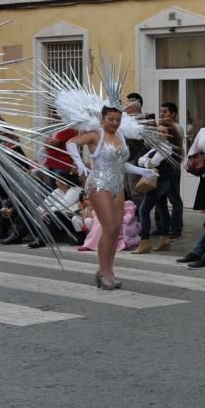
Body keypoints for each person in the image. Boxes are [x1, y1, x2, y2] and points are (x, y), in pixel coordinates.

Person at [67, 105, 157, 289]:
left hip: (118, 184)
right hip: (99, 184)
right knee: (108, 227)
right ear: (102, 119)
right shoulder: (95, 135)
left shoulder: (121, 136)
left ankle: (109, 271)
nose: (115, 123)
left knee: (116, 229)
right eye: (111, 119)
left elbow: (122, 165)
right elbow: (71, 143)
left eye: (118, 119)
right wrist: (79, 163)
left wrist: (142, 170)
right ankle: (103, 271)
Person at [133, 124, 181, 254]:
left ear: (169, 134)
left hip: (160, 182)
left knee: (144, 210)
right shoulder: (157, 146)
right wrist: (146, 161)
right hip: (160, 181)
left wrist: (146, 161)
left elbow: (153, 162)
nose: (159, 134)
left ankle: (145, 241)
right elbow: (140, 160)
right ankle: (165, 239)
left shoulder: (166, 147)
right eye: (158, 131)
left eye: (162, 131)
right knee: (162, 209)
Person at [157, 101, 184, 240]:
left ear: (173, 114)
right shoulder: (160, 127)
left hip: (171, 168)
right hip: (161, 168)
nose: (162, 113)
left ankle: (176, 229)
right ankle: (163, 227)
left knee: (174, 200)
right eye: (161, 111)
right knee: (160, 200)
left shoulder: (176, 128)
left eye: (165, 111)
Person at [123, 92, 152, 203]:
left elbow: (147, 144)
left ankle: (141, 217)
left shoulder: (144, 121)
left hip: (134, 159)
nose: (125, 107)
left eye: (128, 104)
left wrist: (138, 159)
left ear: (134, 106)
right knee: (127, 189)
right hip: (125, 158)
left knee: (136, 191)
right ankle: (133, 216)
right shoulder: (126, 119)